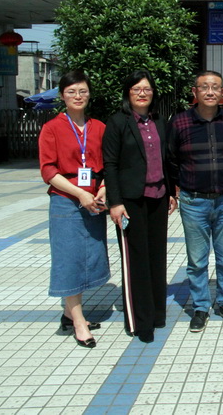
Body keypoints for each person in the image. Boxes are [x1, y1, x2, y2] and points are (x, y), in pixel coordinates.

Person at [103, 70, 178, 343]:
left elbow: (166, 158)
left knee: (156, 257)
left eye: (147, 89)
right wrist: (115, 202)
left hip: (158, 196)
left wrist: (171, 191)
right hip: (130, 202)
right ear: (128, 93)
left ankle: (157, 313)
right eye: (136, 89)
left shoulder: (158, 121)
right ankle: (140, 321)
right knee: (136, 260)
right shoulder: (118, 122)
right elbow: (110, 164)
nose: (142, 93)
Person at [38, 70, 110, 348]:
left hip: (94, 198)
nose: (77, 96)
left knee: (89, 255)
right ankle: (79, 321)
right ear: (62, 96)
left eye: (82, 91)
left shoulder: (99, 127)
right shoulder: (51, 128)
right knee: (68, 257)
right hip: (66, 199)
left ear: (89, 94)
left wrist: (103, 188)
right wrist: (80, 193)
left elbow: (108, 164)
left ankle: (70, 314)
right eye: (71, 92)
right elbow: (48, 170)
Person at [167, 70, 223, 332]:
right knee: (197, 260)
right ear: (194, 91)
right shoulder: (180, 122)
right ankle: (200, 306)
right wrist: (177, 188)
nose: (210, 92)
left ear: (222, 92)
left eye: (215, 87)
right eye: (205, 87)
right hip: (193, 201)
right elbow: (170, 159)